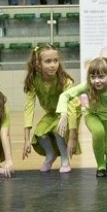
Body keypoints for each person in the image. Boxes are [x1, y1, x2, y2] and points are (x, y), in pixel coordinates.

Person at [57, 57, 107, 178]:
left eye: (101, 77)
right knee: (98, 132)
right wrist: (63, 114)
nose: (97, 81)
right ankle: (101, 166)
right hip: (93, 116)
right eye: (93, 77)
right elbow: (65, 95)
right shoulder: (88, 86)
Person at [23, 45, 79, 173]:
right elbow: (28, 109)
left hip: (70, 111)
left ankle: (65, 160)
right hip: (52, 113)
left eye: (56, 60)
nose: (53, 65)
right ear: (38, 63)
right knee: (40, 134)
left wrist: (72, 136)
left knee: (57, 130)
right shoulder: (33, 81)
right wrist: (26, 139)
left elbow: (71, 108)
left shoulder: (65, 81)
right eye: (48, 61)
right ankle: (51, 154)